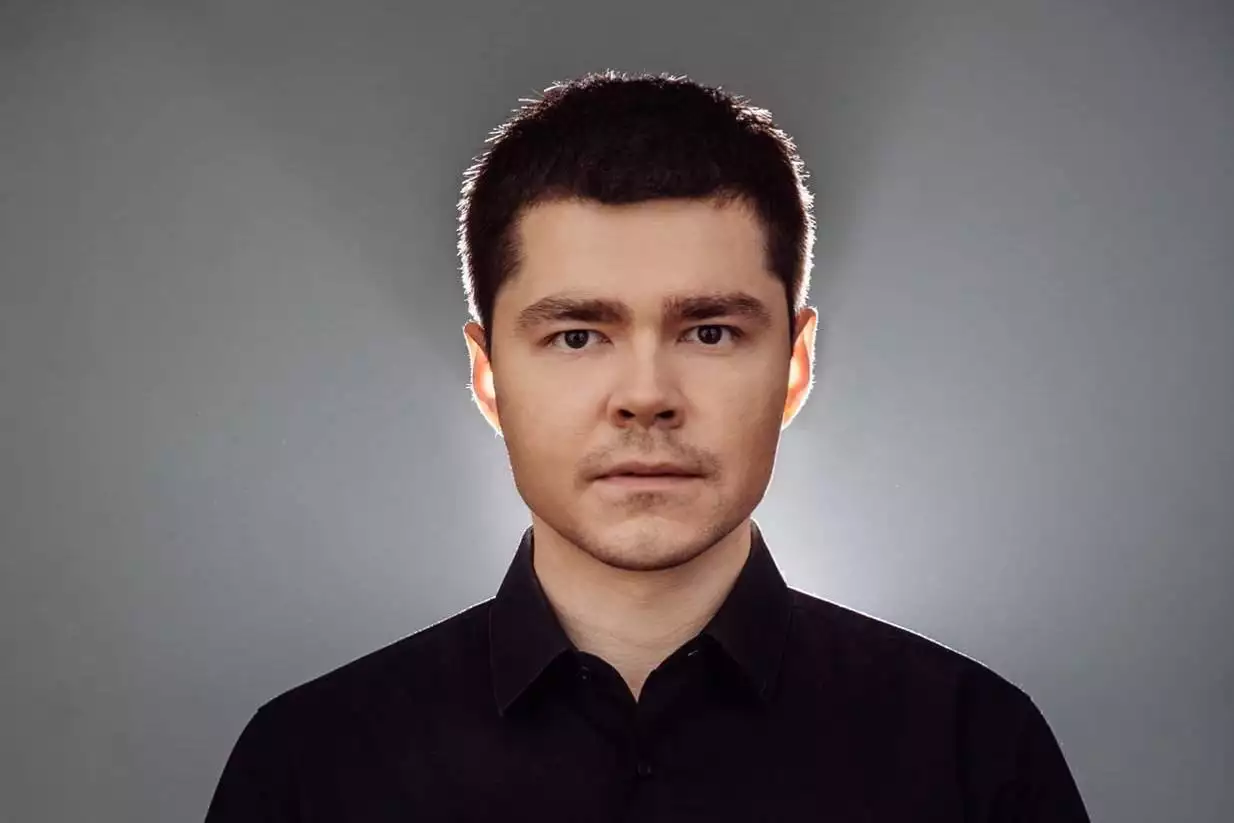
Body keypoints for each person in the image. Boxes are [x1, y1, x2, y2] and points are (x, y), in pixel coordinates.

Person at [204, 70, 1090, 821]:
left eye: (709, 331)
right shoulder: (309, 768)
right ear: (488, 376)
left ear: (795, 365)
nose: (645, 396)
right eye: (577, 335)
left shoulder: (976, 753)